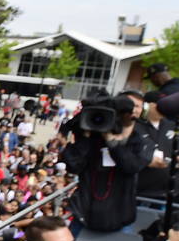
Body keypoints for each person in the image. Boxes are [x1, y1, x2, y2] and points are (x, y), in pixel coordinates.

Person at [62, 94, 154, 233]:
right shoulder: (89, 139)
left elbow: (132, 166)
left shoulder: (141, 139)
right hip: (84, 216)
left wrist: (112, 142)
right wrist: (85, 136)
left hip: (119, 217)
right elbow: (73, 166)